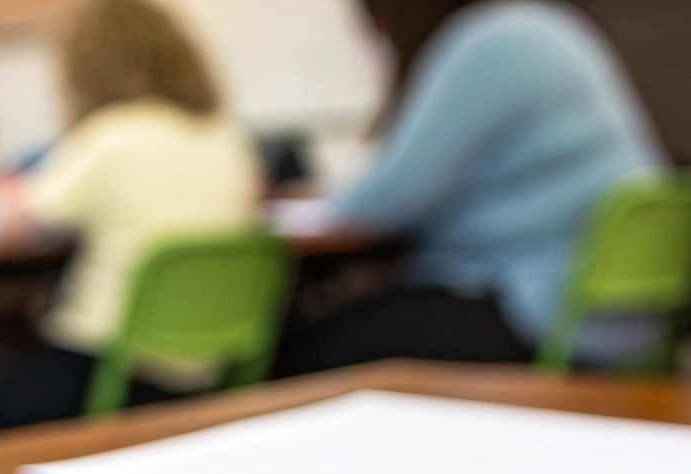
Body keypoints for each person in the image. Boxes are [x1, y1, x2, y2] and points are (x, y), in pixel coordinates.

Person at [0, 0, 262, 449]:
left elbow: (11, 224)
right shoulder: (224, 138)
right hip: (204, 370)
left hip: (107, 369)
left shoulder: (112, 136)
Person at [274, 0, 663, 375]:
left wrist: (310, 198)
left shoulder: (490, 42)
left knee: (299, 348)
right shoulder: (546, 25)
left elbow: (387, 199)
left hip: (539, 310)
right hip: (605, 314)